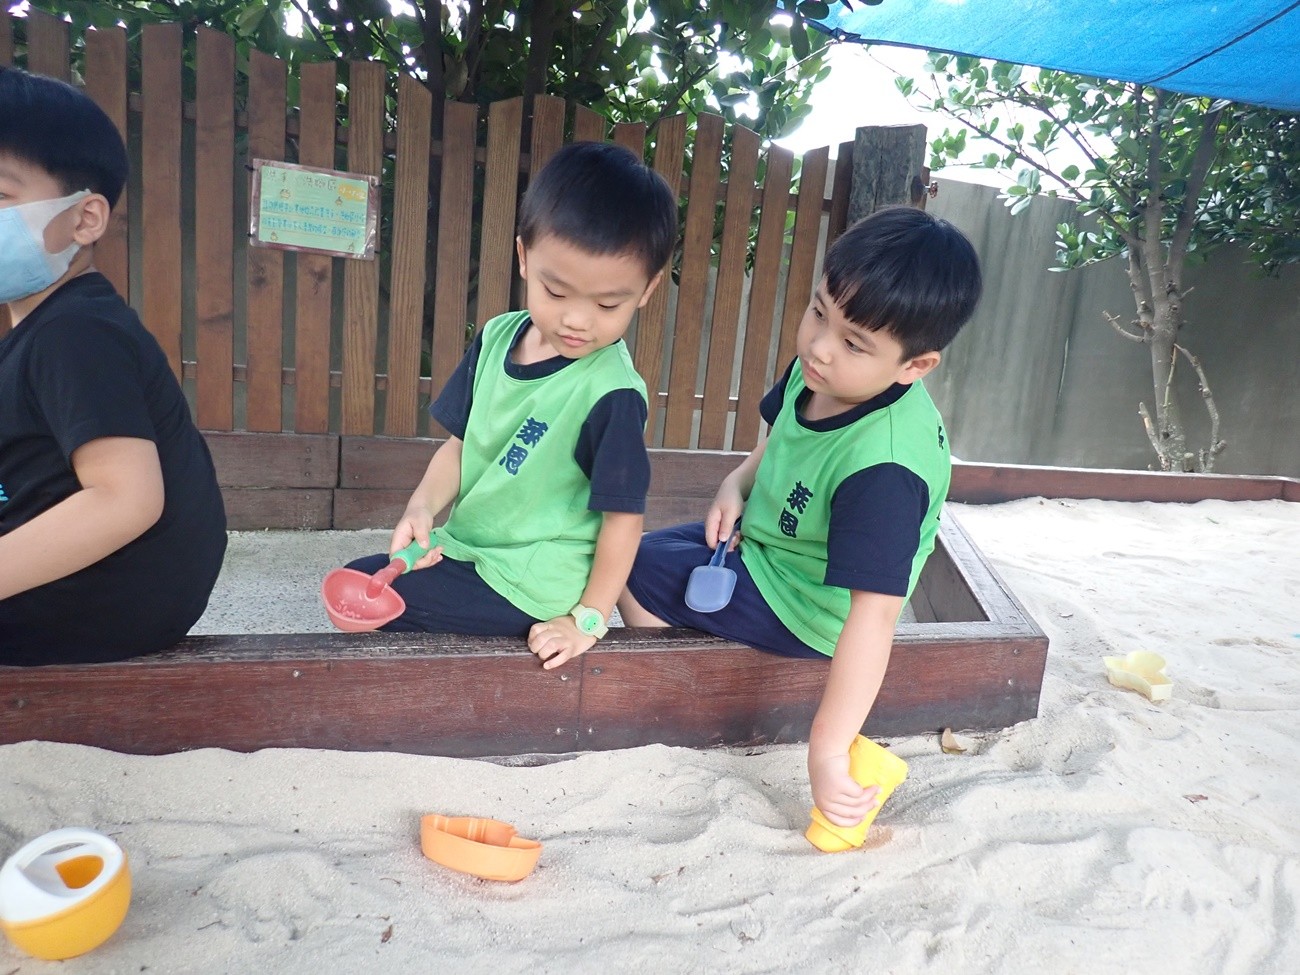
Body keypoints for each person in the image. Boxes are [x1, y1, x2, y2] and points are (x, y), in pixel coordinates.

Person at [619, 206, 982, 831]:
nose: (819, 346)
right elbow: (779, 438)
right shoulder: (820, 374)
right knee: (645, 549)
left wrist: (828, 753)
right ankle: (702, 639)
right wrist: (737, 482)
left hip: (812, 607)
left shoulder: (884, 468)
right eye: (819, 311)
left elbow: (875, 615)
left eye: (853, 342)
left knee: (631, 565)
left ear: (915, 365)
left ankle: (678, 681)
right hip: (766, 550)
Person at [346, 141, 676, 670]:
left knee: (380, 602)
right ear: (524, 257)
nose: (577, 320)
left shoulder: (610, 393)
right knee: (360, 580)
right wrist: (421, 508)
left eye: (607, 303)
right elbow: (459, 447)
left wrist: (587, 619)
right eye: (556, 292)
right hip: (472, 550)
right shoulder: (498, 337)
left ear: (646, 290)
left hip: (533, 580)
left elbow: (623, 520)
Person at [0, 67, 228, 665]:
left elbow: (125, 499)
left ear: (84, 218)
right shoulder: (49, 327)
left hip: (87, 604)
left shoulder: (75, 331)